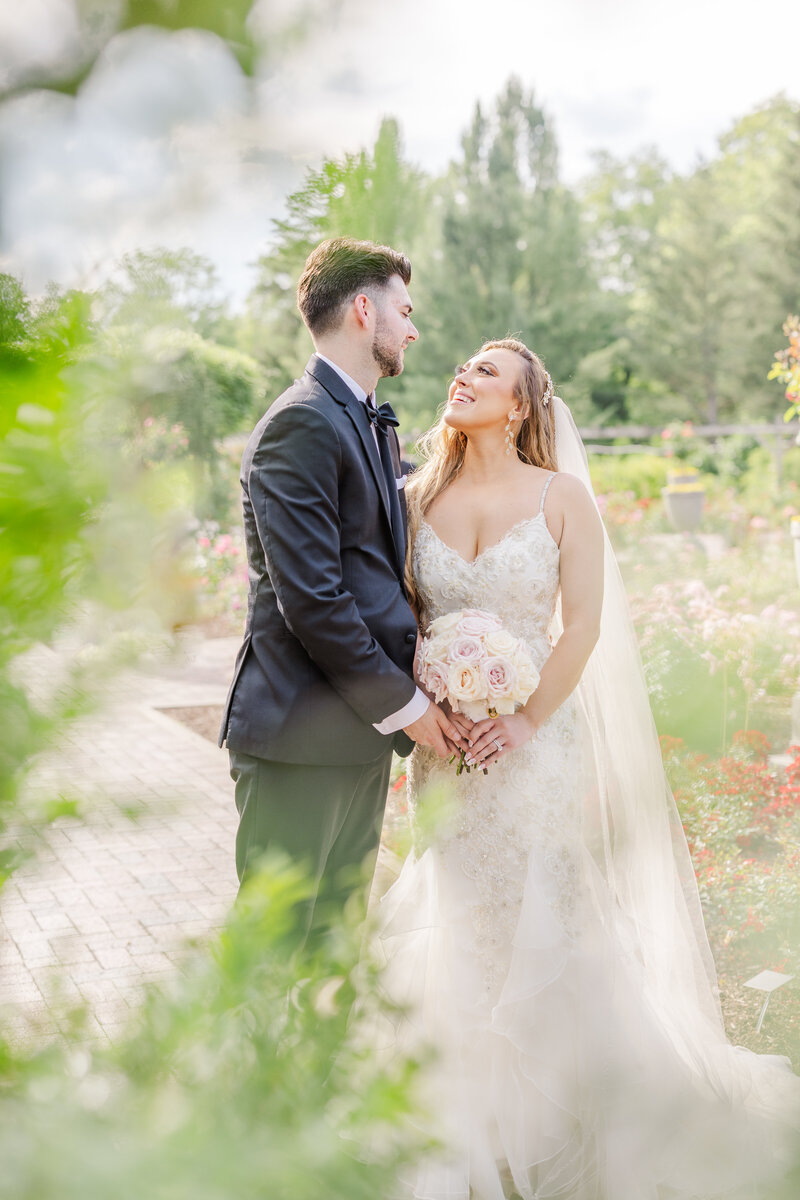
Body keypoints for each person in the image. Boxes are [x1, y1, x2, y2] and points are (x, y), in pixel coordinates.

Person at [374, 338, 800, 1199]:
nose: (462, 376)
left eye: (486, 372)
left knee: (548, 920)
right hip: (452, 755)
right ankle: (476, 1125)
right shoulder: (416, 495)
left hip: (536, 751)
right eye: (462, 367)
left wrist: (527, 720)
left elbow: (582, 628)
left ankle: (568, 1117)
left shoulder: (562, 498)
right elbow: (401, 617)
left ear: (523, 405)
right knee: (463, 919)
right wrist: (434, 698)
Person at [218, 237, 465, 943]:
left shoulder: (363, 419)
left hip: (356, 735)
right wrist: (410, 706)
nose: (413, 329)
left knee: (334, 945)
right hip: (297, 739)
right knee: (276, 946)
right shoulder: (300, 423)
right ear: (364, 309)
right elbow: (315, 601)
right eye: (405, 310)